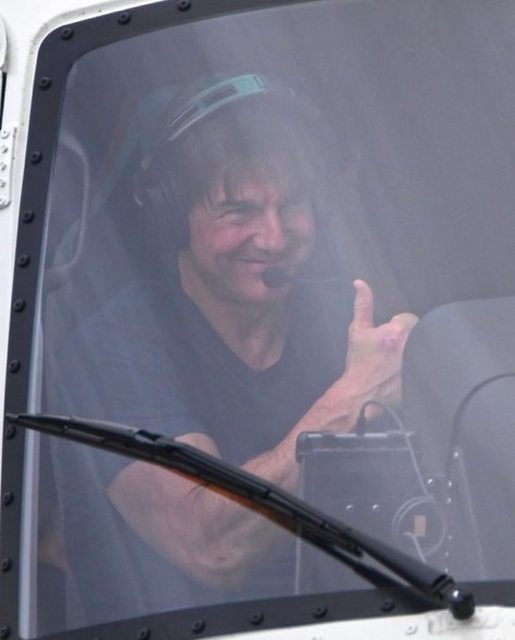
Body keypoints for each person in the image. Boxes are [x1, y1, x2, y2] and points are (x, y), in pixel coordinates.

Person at [45, 73, 417, 627]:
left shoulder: (347, 323)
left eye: (291, 206)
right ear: (173, 214)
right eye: (238, 212)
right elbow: (212, 545)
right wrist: (352, 401)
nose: (274, 238)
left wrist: (424, 375)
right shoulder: (111, 349)